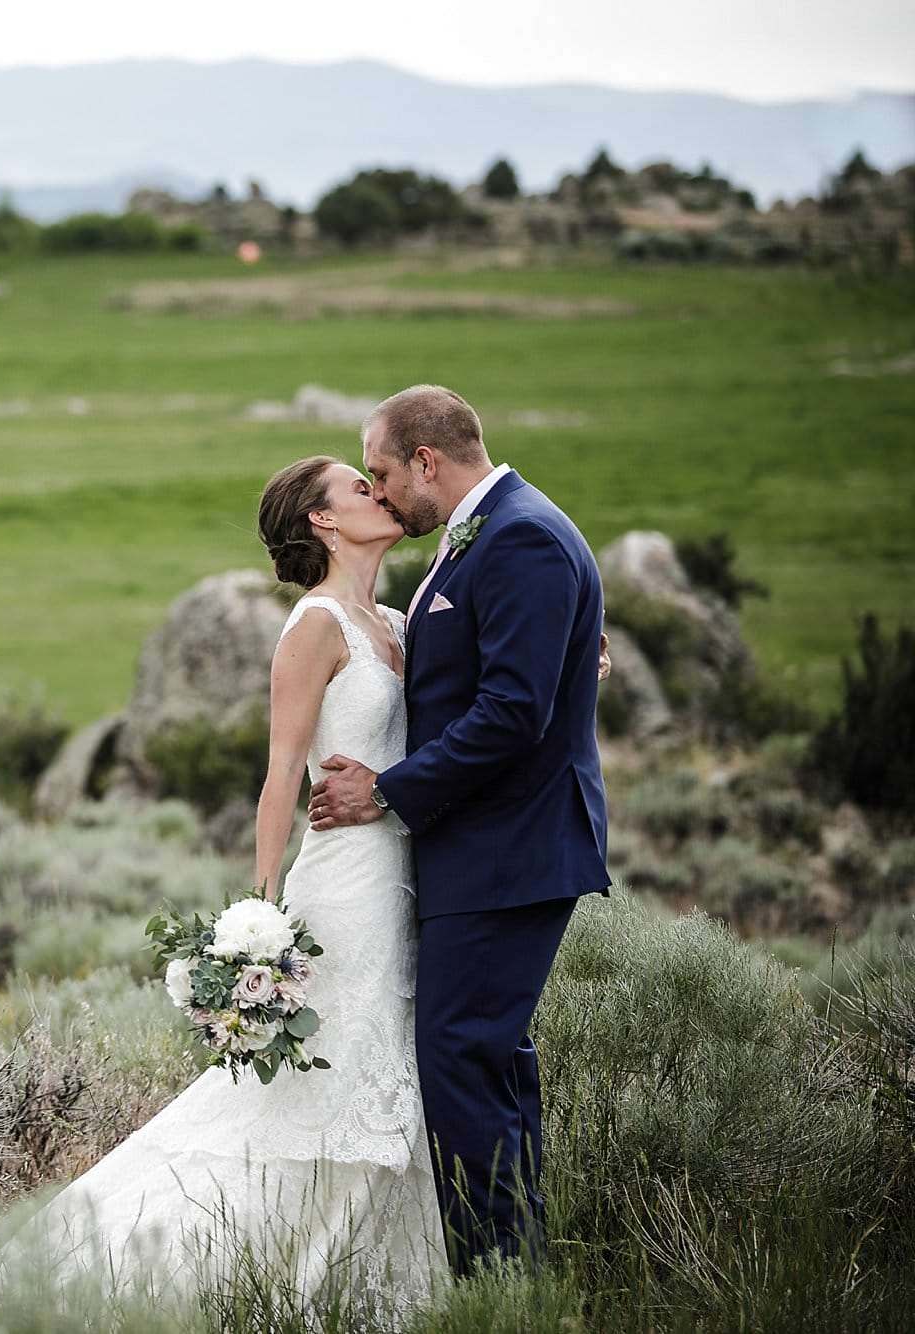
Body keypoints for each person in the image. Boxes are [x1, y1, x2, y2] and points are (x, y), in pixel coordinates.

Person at [0, 451, 447, 1308]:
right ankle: (172, 1278)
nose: (376, 493)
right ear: (322, 520)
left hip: (410, 878)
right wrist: (261, 919)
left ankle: (357, 1291)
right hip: (344, 887)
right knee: (321, 1090)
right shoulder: (314, 627)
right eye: (357, 486)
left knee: (384, 1087)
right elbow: (279, 778)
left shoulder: (394, 620)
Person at [309, 385, 611, 1274]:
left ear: (428, 463)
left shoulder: (518, 533)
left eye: (384, 473)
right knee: (488, 1065)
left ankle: (492, 1280)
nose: (381, 491)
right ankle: (518, 1275)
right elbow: (506, 660)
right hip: (485, 852)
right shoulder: (490, 533)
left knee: (459, 1062)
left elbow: (514, 710)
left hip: (508, 851)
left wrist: (391, 792)